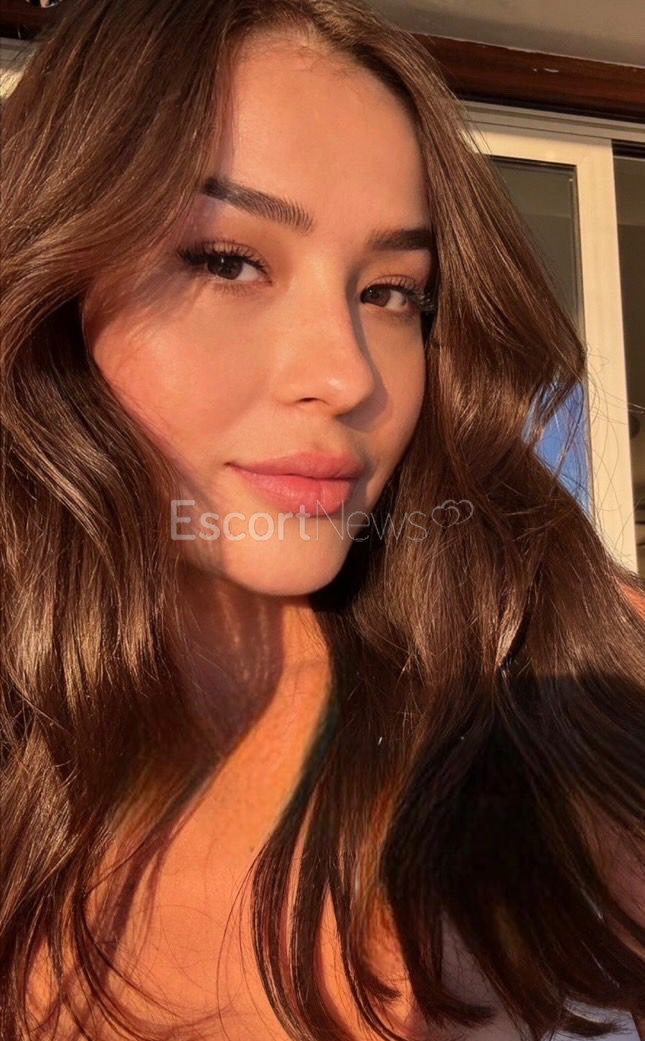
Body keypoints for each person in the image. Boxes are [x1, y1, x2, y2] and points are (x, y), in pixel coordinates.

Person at [1, 1, 644, 1039]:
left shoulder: (574, 683)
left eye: (392, 292)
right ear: (53, 289)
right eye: (226, 261)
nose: (347, 376)